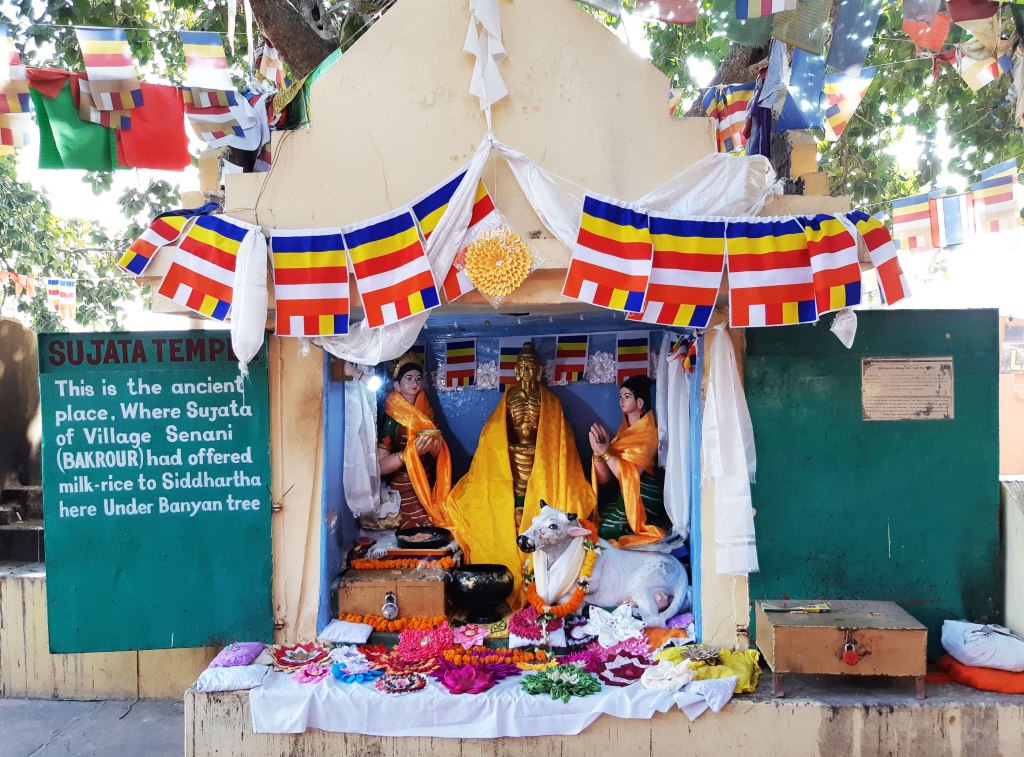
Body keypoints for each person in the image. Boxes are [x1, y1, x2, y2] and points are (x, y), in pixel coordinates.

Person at [446, 342, 595, 606]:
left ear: (539, 372)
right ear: (516, 371)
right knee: (499, 512)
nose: (526, 372)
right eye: (522, 368)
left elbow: (558, 442)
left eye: (531, 368)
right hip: (513, 464)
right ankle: (511, 570)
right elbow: (493, 437)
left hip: (539, 464)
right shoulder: (510, 398)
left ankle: (541, 580)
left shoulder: (549, 401)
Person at [589, 375, 670, 547]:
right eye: (620, 396)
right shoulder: (623, 434)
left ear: (639, 403)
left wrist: (605, 451)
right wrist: (597, 453)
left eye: (627, 397)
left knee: (606, 530)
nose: (621, 401)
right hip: (625, 495)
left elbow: (630, 475)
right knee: (596, 520)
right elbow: (605, 479)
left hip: (644, 494)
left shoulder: (649, 435)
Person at [377, 354, 452, 530]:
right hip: (403, 483)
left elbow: (436, 455)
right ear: (397, 385)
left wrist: (434, 449)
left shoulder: (427, 414)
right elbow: (379, 466)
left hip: (427, 480)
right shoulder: (392, 420)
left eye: (418, 379)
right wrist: (409, 455)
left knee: (438, 519)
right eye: (408, 378)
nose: (414, 383)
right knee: (415, 524)